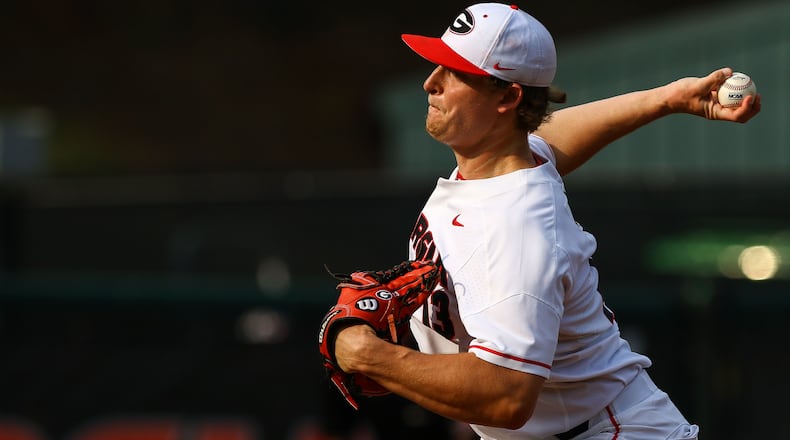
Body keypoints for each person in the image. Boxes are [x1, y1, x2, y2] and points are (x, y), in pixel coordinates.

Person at [332, 3, 761, 439]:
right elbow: (552, 136)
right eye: (438, 63)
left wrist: (370, 356)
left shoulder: (517, 227)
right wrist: (666, 99)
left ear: (507, 98)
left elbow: (508, 395)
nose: (431, 83)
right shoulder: (510, 160)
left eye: (455, 72)